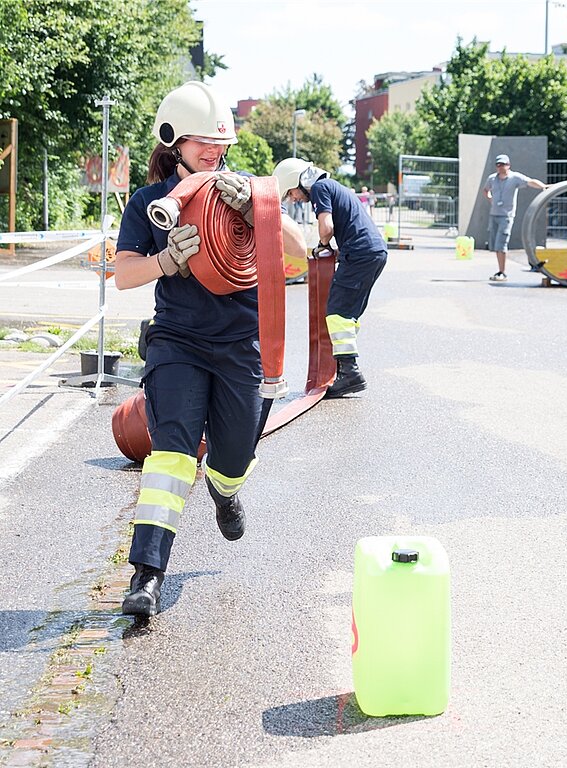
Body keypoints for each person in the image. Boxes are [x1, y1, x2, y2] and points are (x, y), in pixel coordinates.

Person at [114, 81, 306, 616]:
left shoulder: (241, 188)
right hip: (177, 342)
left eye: (221, 145)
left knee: (232, 459)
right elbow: (124, 274)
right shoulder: (150, 202)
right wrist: (164, 263)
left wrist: (258, 212)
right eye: (203, 143)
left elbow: (301, 248)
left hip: (242, 346)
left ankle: (225, 493)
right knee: (171, 451)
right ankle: (146, 574)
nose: (215, 153)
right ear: (175, 141)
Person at [272, 158, 387, 398]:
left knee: (336, 313)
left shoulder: (320, 189)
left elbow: (327, 227)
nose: (293, 199)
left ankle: (349, 372)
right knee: (350, 314)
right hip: (374, 252)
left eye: (291, 193)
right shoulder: (336, 186)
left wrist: (322, 245)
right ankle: (344, 366)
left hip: (359, 253)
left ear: (299, 181)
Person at [482, 154, 548, 282]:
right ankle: (500, 270)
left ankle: (502, 272)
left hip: (506, 216)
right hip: (494, 214)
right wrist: (490, 198)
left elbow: (530, 181)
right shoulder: (492, 179)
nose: (501, 167)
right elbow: (485, 190)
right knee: (496, 245)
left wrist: (542, 186)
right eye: (498, 165)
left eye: (503, 165)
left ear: (509, 165)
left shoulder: (514, 177)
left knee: (501, 243)